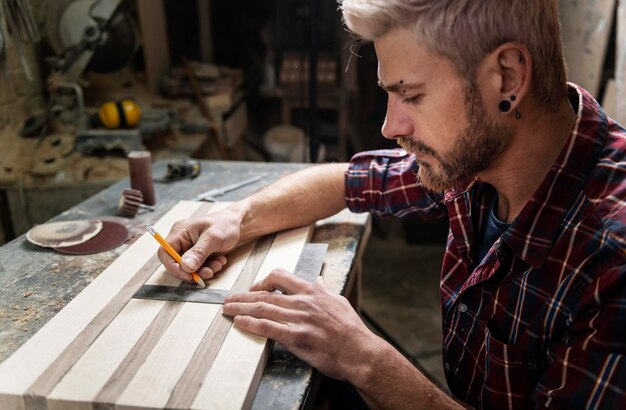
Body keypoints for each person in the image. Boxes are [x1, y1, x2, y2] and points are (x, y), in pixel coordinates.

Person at [158, 0, 626, 408]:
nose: (390, 126)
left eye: (411, 95)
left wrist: (367, 359)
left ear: (506, 77)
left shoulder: (611, 262)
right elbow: (347, 181)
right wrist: (238, 217)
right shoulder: (480, 161)